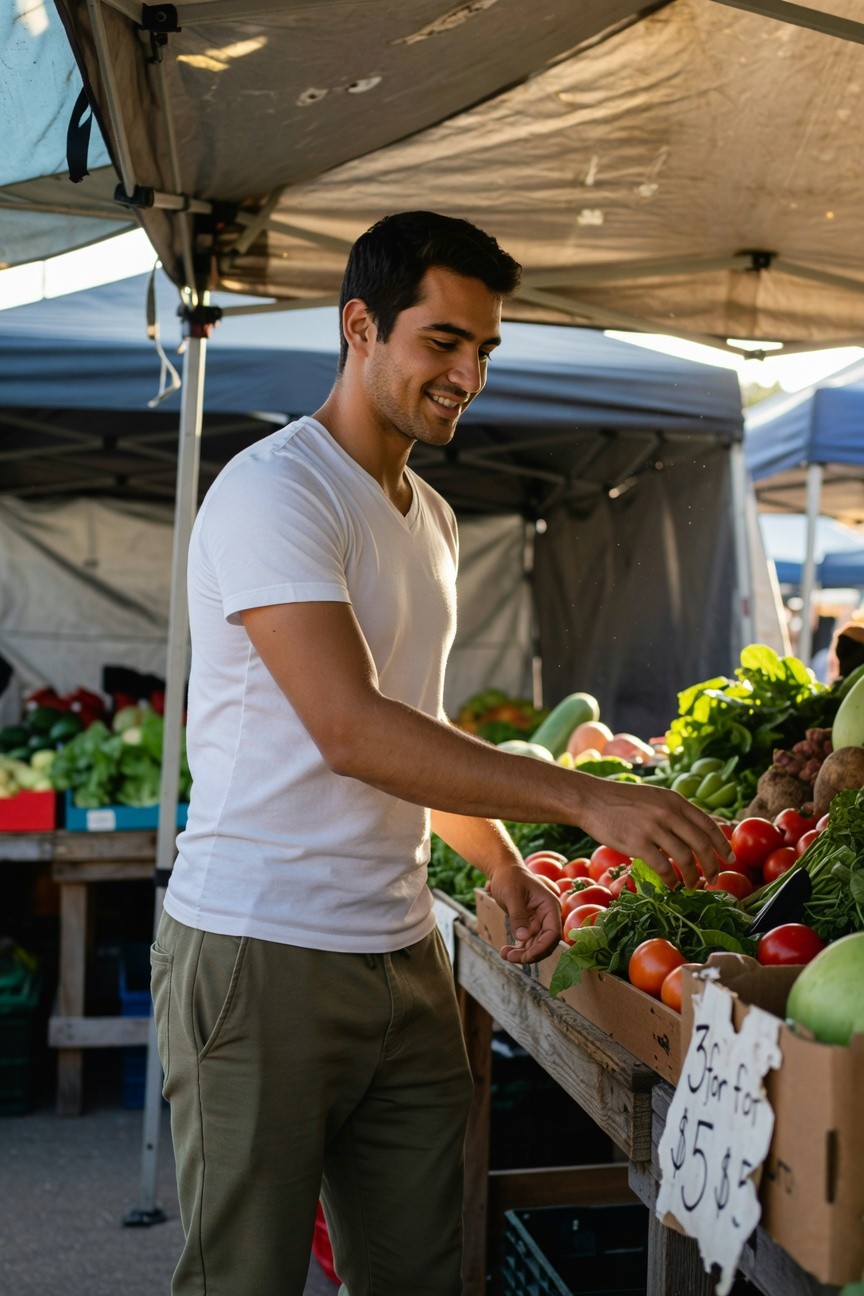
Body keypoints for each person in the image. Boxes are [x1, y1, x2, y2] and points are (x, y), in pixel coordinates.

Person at [151, 210, 732, 1296]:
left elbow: (421, 723)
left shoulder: (431, 517)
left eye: (485, 349)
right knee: (244, 1279)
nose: (468, 372)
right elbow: (352, 729)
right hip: (259, 951)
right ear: (359, 326)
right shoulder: (277, 488)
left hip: (409, 955)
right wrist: (587, 804)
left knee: (422, 1276)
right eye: (442, 341)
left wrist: (505, 865)